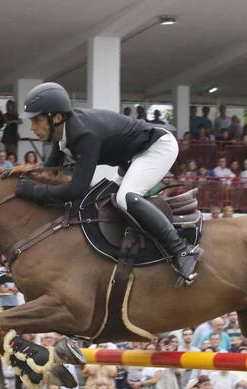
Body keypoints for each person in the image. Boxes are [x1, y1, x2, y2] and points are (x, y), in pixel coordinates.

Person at [14, 82, 203, 287]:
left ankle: (182, 249)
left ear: (56, 117)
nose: (32, 127)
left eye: (37, 120)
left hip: (156, 148)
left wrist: (32, 191)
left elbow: (76, 190)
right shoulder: (64, 133)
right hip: (132, 158)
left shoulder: (84, 135)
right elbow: (47, 171)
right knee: (101, 201)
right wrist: (15, 176)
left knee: (125, 198)